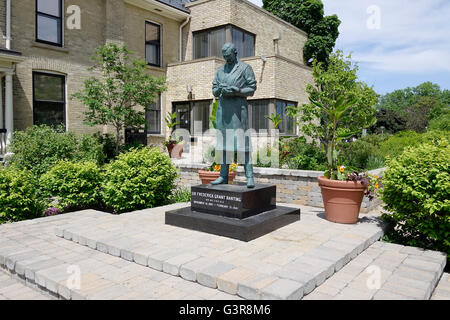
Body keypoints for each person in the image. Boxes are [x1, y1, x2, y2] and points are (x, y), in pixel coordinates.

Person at [211, 43, 257, 188]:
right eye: (224, 57)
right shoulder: (220, 70)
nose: (226, 59)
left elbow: (252, 88)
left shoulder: (245, 68)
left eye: (229, 56)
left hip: (238, 112)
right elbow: (214, 90)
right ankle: (223, 176)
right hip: (223, 112)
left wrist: (237, 91)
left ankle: (249, 177)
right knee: (223, 145)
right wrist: (218, 90)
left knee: (242, 144)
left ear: (235, 53)